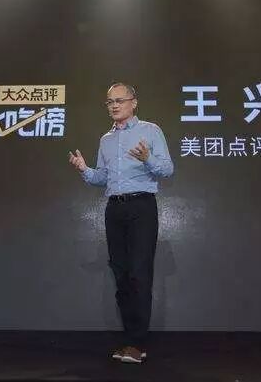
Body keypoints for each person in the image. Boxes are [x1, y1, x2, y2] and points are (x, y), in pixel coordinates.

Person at [68, 82, 174, 364]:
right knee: (122, 276)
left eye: (120, 100)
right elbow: (102, 178)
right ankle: (130, 340)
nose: (114, 106)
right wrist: (84, 170)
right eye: (110, 102)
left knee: (139, 274)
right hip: (114, 209)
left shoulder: (150, 131)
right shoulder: (106, 140)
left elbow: (167, 169)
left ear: (134, 103)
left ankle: (137, 344)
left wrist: (147, 158)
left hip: (141, 207)